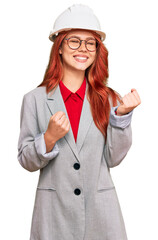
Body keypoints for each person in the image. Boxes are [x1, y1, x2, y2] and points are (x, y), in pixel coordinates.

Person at [17, 4, 141, 240]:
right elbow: (26, 160)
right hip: (53, 216)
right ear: (60, 47)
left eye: (90, 42)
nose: (82, 48)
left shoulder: (110, 99)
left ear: (97, 49)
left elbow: (113, 159)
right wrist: (49, 138)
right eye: (74, 40)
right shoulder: (34, 99)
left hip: (101, 214)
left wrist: (121, 117)